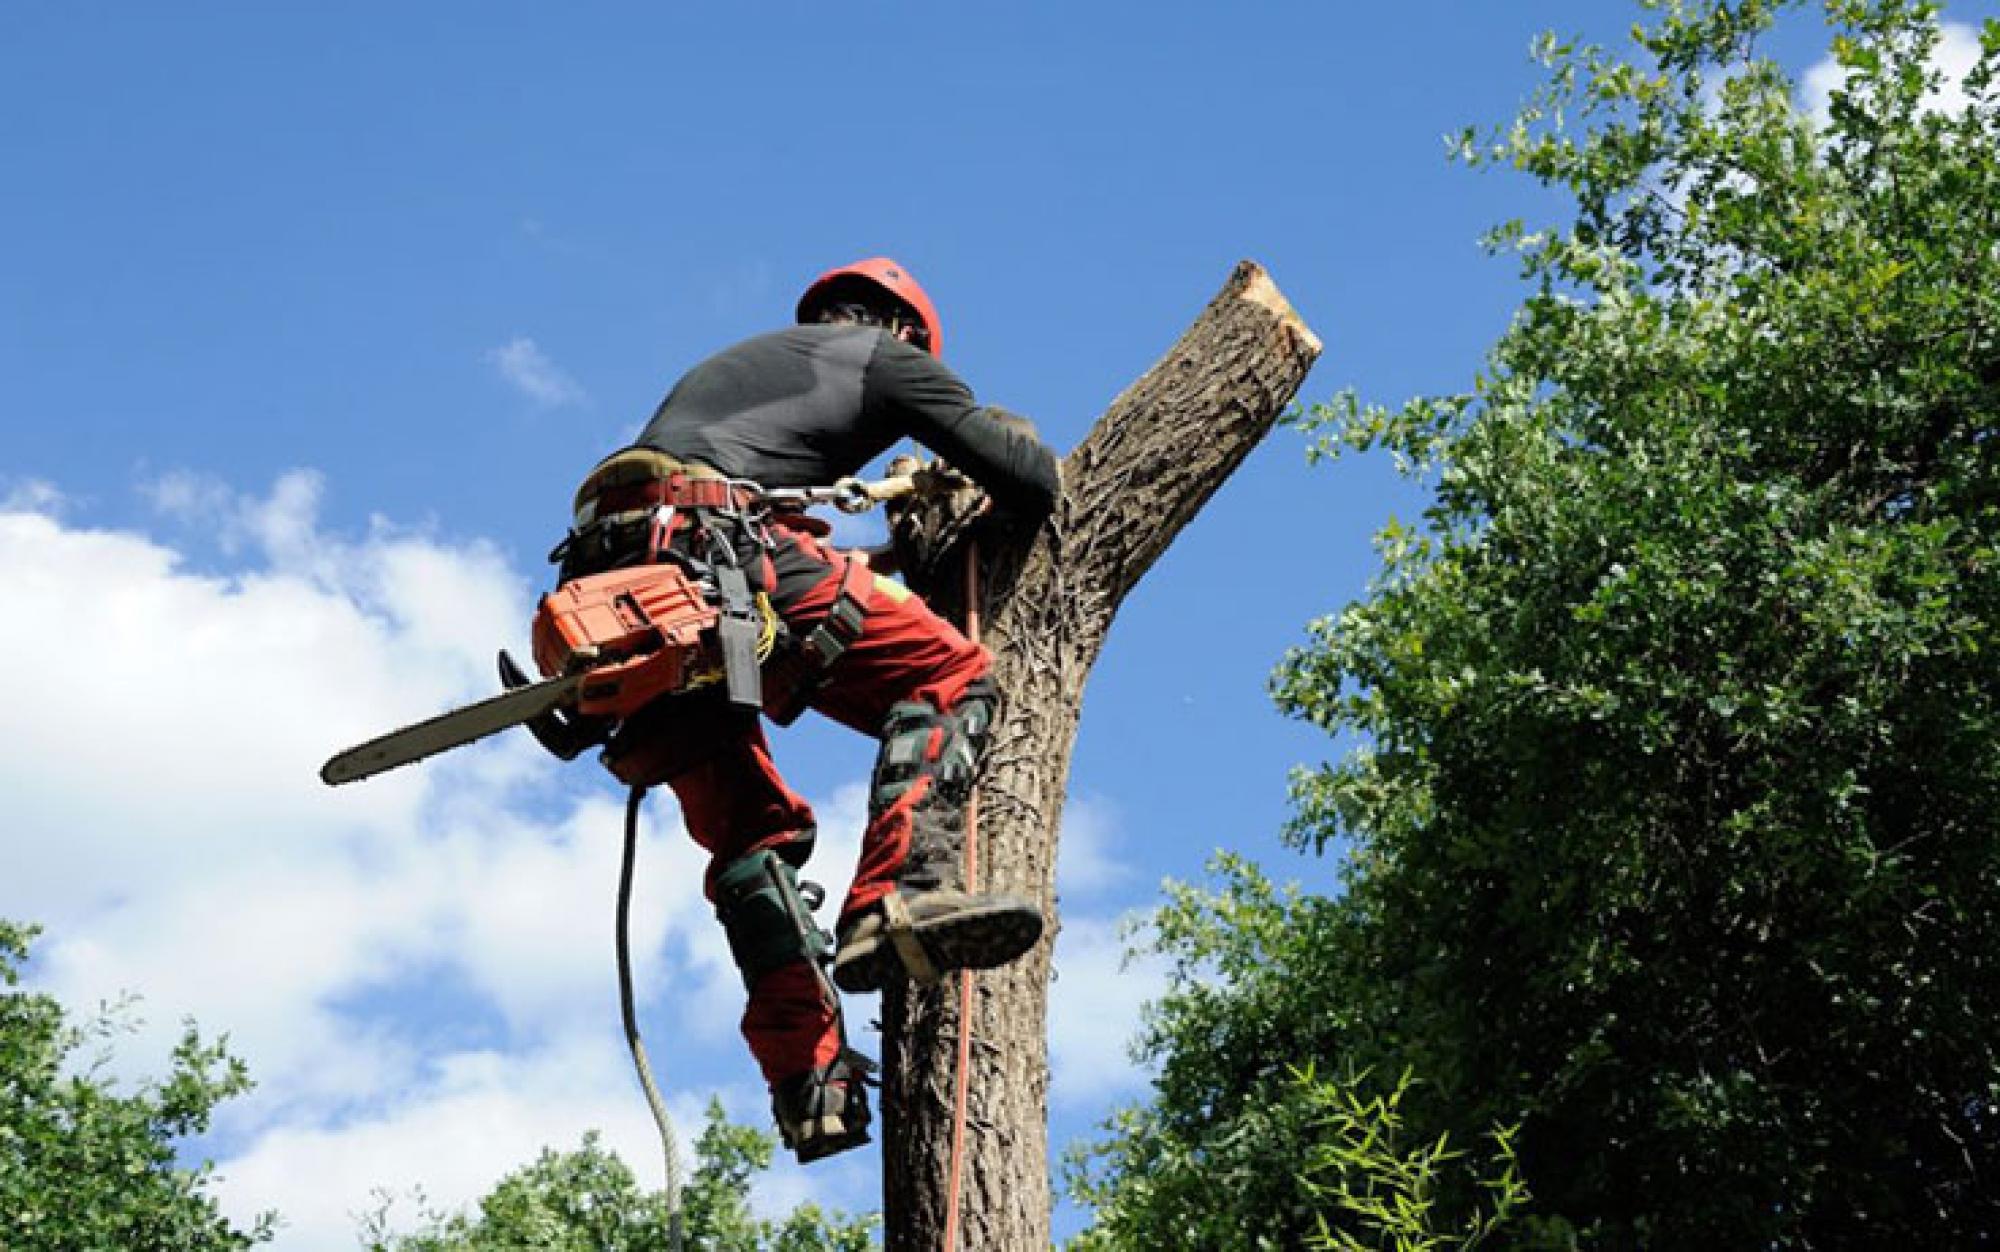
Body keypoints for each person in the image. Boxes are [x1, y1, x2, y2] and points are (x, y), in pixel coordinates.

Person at [556, 258, 1060, 1162]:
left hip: (624, 581)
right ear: (903, 328)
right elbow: (1028, 477)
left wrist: (889, 555)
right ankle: (899, 899)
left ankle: (809, 1082)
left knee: (753, 841)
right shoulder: (883, 356)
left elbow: (795, 539)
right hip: (717, 552)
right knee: (950, 676)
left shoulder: (749, 374)